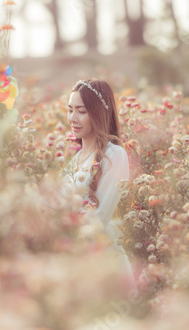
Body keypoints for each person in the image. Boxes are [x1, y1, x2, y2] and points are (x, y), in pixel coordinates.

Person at [60, 79, 137, 291]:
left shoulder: (114, 155)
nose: (72, 118)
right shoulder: (73, 162)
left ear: (97, 113)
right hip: (72, 257)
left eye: (81, 111)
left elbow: (100, 216)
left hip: (101, 260)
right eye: (70, 110)